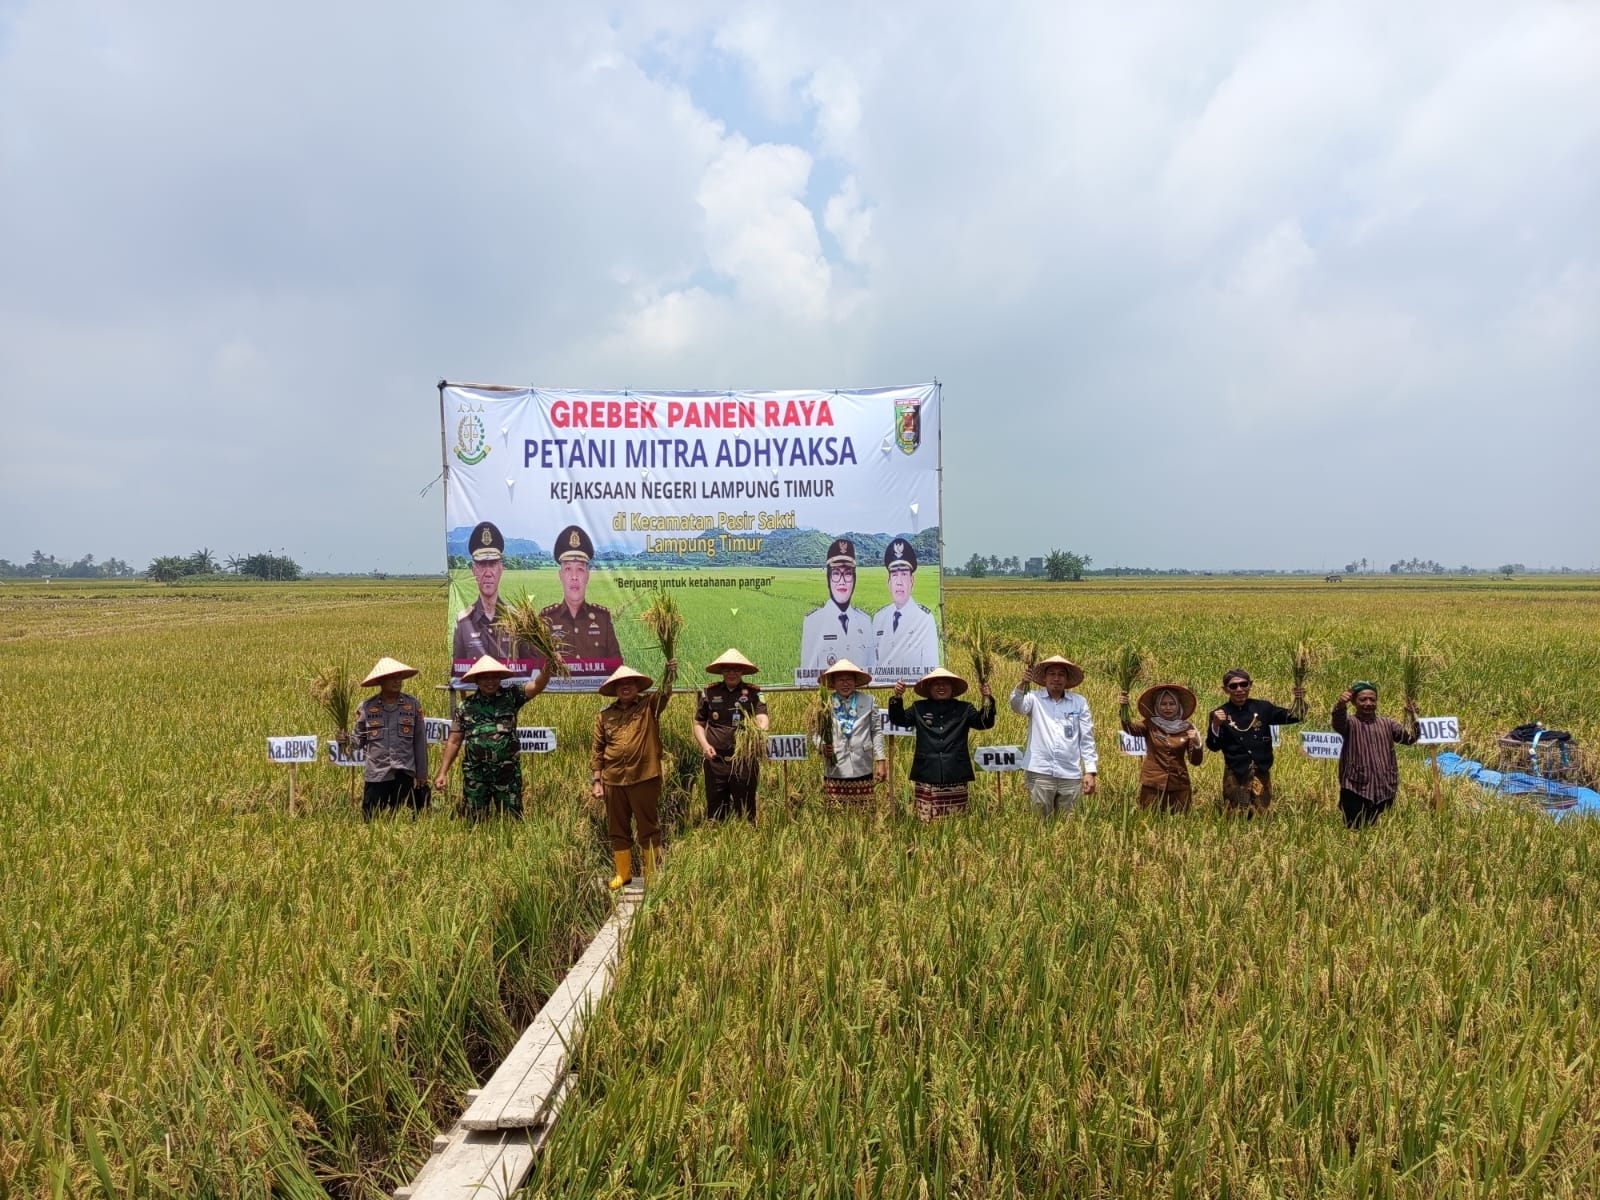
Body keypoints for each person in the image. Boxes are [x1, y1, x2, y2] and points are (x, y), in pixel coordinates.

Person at [433, 654, 554, 820]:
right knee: (473, 822)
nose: (490, 681)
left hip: (507, 775)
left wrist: (549, 666)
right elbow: (454, 741)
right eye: (484, 678)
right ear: (476, 680)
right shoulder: (466, 706)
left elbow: (537, 686)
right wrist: (443, 772)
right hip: (476, 776)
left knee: (512, 821)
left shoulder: (511, 696)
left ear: (500, 678)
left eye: (494, 677)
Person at [592, 659, 677, 889]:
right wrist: (597, 781)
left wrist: (669, 673)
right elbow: (598, 749)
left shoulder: (649, 705)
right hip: (613, 779)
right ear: (615, 689)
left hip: (644, 777)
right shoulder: (604, 715)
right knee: (617, 828)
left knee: (648, 825)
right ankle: (623, 874)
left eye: (630, 683)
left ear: (637, 686)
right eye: (621, 684)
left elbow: (665, 693)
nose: (626, 686)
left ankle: (651, 874)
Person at [889, 666, 996, 821]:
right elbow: (899, 719)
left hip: (955, 772)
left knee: (956, 822)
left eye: (945, 683)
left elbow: (984, 723)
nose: (941, 687)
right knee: (925, 822)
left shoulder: (964, 708)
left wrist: (988, 699)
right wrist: (897, 697)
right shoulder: (918, 708)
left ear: (952, 688)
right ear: (929, 688)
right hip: (927, 771)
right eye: (936, 684)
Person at [1205, 668, 1305, 814]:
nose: (1239, 689)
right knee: (1235, 817)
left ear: (1250, 685)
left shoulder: (1263, 708)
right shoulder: (1219, 713)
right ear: (1225, 689)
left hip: (1261, 772)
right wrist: (1215, 725)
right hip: (1236, 773)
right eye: (1233, 686)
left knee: (1262, 816)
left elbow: (1295, 716)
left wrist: (1299, 699)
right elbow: (1213, 746)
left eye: (1243, 684)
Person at [1010, 655, 1098, 817]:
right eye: (1052, 674)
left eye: (1061, 674)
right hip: (1040, 772)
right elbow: (1017, 706)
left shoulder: (1079, 702)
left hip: (1070, 773)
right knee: (1039, 823)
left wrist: (1090, 772)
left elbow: (1087, 739)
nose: (1056, 678)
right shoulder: (1033, 698)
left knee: (1069, 825)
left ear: (1066, 679)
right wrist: (1022, 684)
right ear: (1044, 677)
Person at [693, 648, 769, 822]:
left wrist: (759, 732)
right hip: (716, 762)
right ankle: (717, 844)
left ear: (742, 671)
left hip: (744, 761)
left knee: (746, 811)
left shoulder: (754, 693)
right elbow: (698, 724)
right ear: (721, 671)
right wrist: (705, 746)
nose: (732, 673)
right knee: (716, 812)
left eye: (736, 669)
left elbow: (762, 719)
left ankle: (748, 843)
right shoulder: (710, 692)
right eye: (727, 669)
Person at [1332, 681, 1419, 828]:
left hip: (1385, 788)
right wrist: (1340, 705)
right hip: (1356, 788)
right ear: (1354, 702)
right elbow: (1338, 722)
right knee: (1355, 832)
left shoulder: (1387, 723)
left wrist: (1413, 716)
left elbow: (1409, 738)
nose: (1368, 703)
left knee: (1382, 833)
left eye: (1372, 699)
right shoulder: (1350, 723)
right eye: (1363, 699)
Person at [353, 657, 430, 820]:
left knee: (404, 820)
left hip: (404, 772)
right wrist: (343, 739)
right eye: (392, 677)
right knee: (371, 821)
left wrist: (422, 774)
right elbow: (357, 742)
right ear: (381, 680)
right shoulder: (367, 707)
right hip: (377, 774)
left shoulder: (413, 705)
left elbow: (419, 741)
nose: (397, 681)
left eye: (399, 677)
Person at [540, 523, 623, 675]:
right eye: (568, 569)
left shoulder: (602, 618)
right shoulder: (546, 619)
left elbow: (617, 667)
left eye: (580, 569)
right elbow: (536, 669)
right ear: (560, 575)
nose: (574, 576)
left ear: (587, 575)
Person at [452, 521, 533, 675]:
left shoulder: (517, 619)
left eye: (493, 564)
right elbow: (458, 674)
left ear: (501, 569)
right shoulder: (464, 622)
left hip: (511, 698)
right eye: (482, 565)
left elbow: (529, 671)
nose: (488, 573)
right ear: (474, 570)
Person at [798, 537, 874, 683]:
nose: (842, 581)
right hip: (827, 702)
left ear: (854, 579)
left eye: (848, 573)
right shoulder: (813, 621)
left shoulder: (865, 622)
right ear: (828, 578)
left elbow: (872, 675)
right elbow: (805, 678)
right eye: (836, 573)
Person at [1119, 683, 1203, 813]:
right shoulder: (1149, 724)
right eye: (1163, 704)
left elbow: (1195, 761)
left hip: (1179, 784)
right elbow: (1130, 729)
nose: (1167, 708)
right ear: (1157, 706)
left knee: (1180, 823)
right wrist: (1123, 707)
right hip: (1153, 783)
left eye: (1172, 704)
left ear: (1178, 705)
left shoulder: (1188, 728)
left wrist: (1197, 743)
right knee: (1150, 818)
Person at [815, 659, 887, 807]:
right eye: (840, 680)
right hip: (835, 768)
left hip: (862, 765)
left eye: (849, 679)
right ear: (833, 683)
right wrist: (821, 746)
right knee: (837, 816)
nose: (845, 683)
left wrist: (881, 760)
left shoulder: (869, 701)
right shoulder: (824, 703)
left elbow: (876, 732)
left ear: (855, 681)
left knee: (864, 817)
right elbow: (815, 733)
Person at [871, 538, 939, 682]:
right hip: (882, 691)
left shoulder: (924, 618)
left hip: (912, 693)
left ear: (912, 580)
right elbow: (872, 665)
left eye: (904, 574)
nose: (899, 582)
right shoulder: (879, 618)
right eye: (894, 575)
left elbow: (930, 670)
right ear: (889, 583)